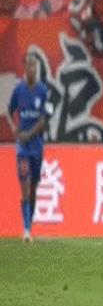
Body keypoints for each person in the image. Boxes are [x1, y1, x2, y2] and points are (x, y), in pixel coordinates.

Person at [6, 52, 48, 242]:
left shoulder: (42, 91)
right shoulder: (19, 90)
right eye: (30, 65)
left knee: (33, 188)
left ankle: (29, 227)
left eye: (35, 66)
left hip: (37, 146)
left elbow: (43, 120)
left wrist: (28, 134)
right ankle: (26, 230)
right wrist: (14, 128)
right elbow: (9, 111)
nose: (33, 69)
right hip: (22, 148)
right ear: (25, 68)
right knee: (25, 186)